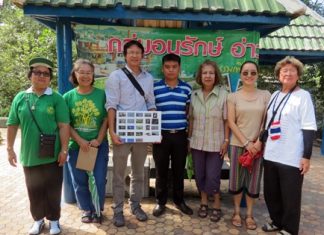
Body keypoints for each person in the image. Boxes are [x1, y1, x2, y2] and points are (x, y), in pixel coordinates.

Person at [6, 57, 70, 235]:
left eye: (46, 73)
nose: (41, 76)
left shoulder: (56, 98)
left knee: (53, 189)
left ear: (50, 78)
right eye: (37, 72)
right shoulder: (20, 97)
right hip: (29, 156)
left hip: (53, 154)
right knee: (34, 190)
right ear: (30, 75)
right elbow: (12, 125)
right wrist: (9, 149)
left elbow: (64, 125)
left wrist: (64, 150)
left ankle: (55, 221)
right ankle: (38, 220)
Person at [261, 56, 317, 235]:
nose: (288, 73)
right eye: (284, 70)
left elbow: (309, 127)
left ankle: (289, 228)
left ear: (298, 75)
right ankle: (276, 221)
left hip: (291, 156)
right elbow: (268, 123)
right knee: (271, 193)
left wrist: (306, 156)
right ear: (278, 75)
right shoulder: (275, 95)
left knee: (290, 196)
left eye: (292, 71)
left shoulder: (303, 96)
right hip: (271, 153)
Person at [105, 40, 156, 227]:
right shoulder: (116, 77)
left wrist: (153, 127)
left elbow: (151, 104)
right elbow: (111, 105)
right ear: (125, 55)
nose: (134, 55)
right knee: (119, 173)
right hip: (122, 131)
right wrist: (112, 130)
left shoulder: (148, 78)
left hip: (141, 131)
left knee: (138, 172)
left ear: (143, 55)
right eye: (131, 52)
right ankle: (118, 210)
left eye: (138, 52)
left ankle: (135, 205)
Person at [63, 59, 109, 223]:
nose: (85, 75)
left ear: (93, 75)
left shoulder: (102, 94)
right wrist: (80, 140)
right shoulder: (67, 97)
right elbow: (65, 124)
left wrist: (99, 139)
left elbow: (106, 119)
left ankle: (97, 210)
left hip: (97, 146)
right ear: (74, 74)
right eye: (81, 72)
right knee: (80, 180)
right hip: (77, 147)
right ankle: (86, 209)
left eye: (88, 72)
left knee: (98, 178)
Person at [227, 61, 271, 230]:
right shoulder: (233, 97)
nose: (249, 76)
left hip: (258, 147)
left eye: (253, 72)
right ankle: (237, 212)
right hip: (237, 145)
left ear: (257, 74)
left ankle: (250, 214)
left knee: (253, 182)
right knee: (236, 181)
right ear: (241, 75)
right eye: (245, 73)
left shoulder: (265, 95)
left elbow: (266, 121)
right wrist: (246, 143)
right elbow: (231, 122)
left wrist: (258, 142)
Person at [188, 60, 229, 222]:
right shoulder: (194, 95)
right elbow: (191, 119)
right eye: (205, 73)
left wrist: (226, 140)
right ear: (200, 75)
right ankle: (204, 202)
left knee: (213, 176)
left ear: (216, 75)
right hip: (197, 142)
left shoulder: (224, 94)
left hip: (216, 143)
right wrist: (189, 139)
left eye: (211, 73)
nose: (208, 76)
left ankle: (217, 204)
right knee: (200, 175)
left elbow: (227, 120)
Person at [152, 53, 193, 217]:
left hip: (180, 136)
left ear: (179, 68)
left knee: (178, 170)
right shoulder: (155, 88)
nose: (171, 70)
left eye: (174, 67)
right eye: (167, 67)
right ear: (162, 69)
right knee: (160, 171)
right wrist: (153, 134)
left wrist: (188, 138)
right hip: (161, 136)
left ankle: (179, 200)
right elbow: (151, 112)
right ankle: (160, 202)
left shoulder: (187, 89)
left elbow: (189, 114)